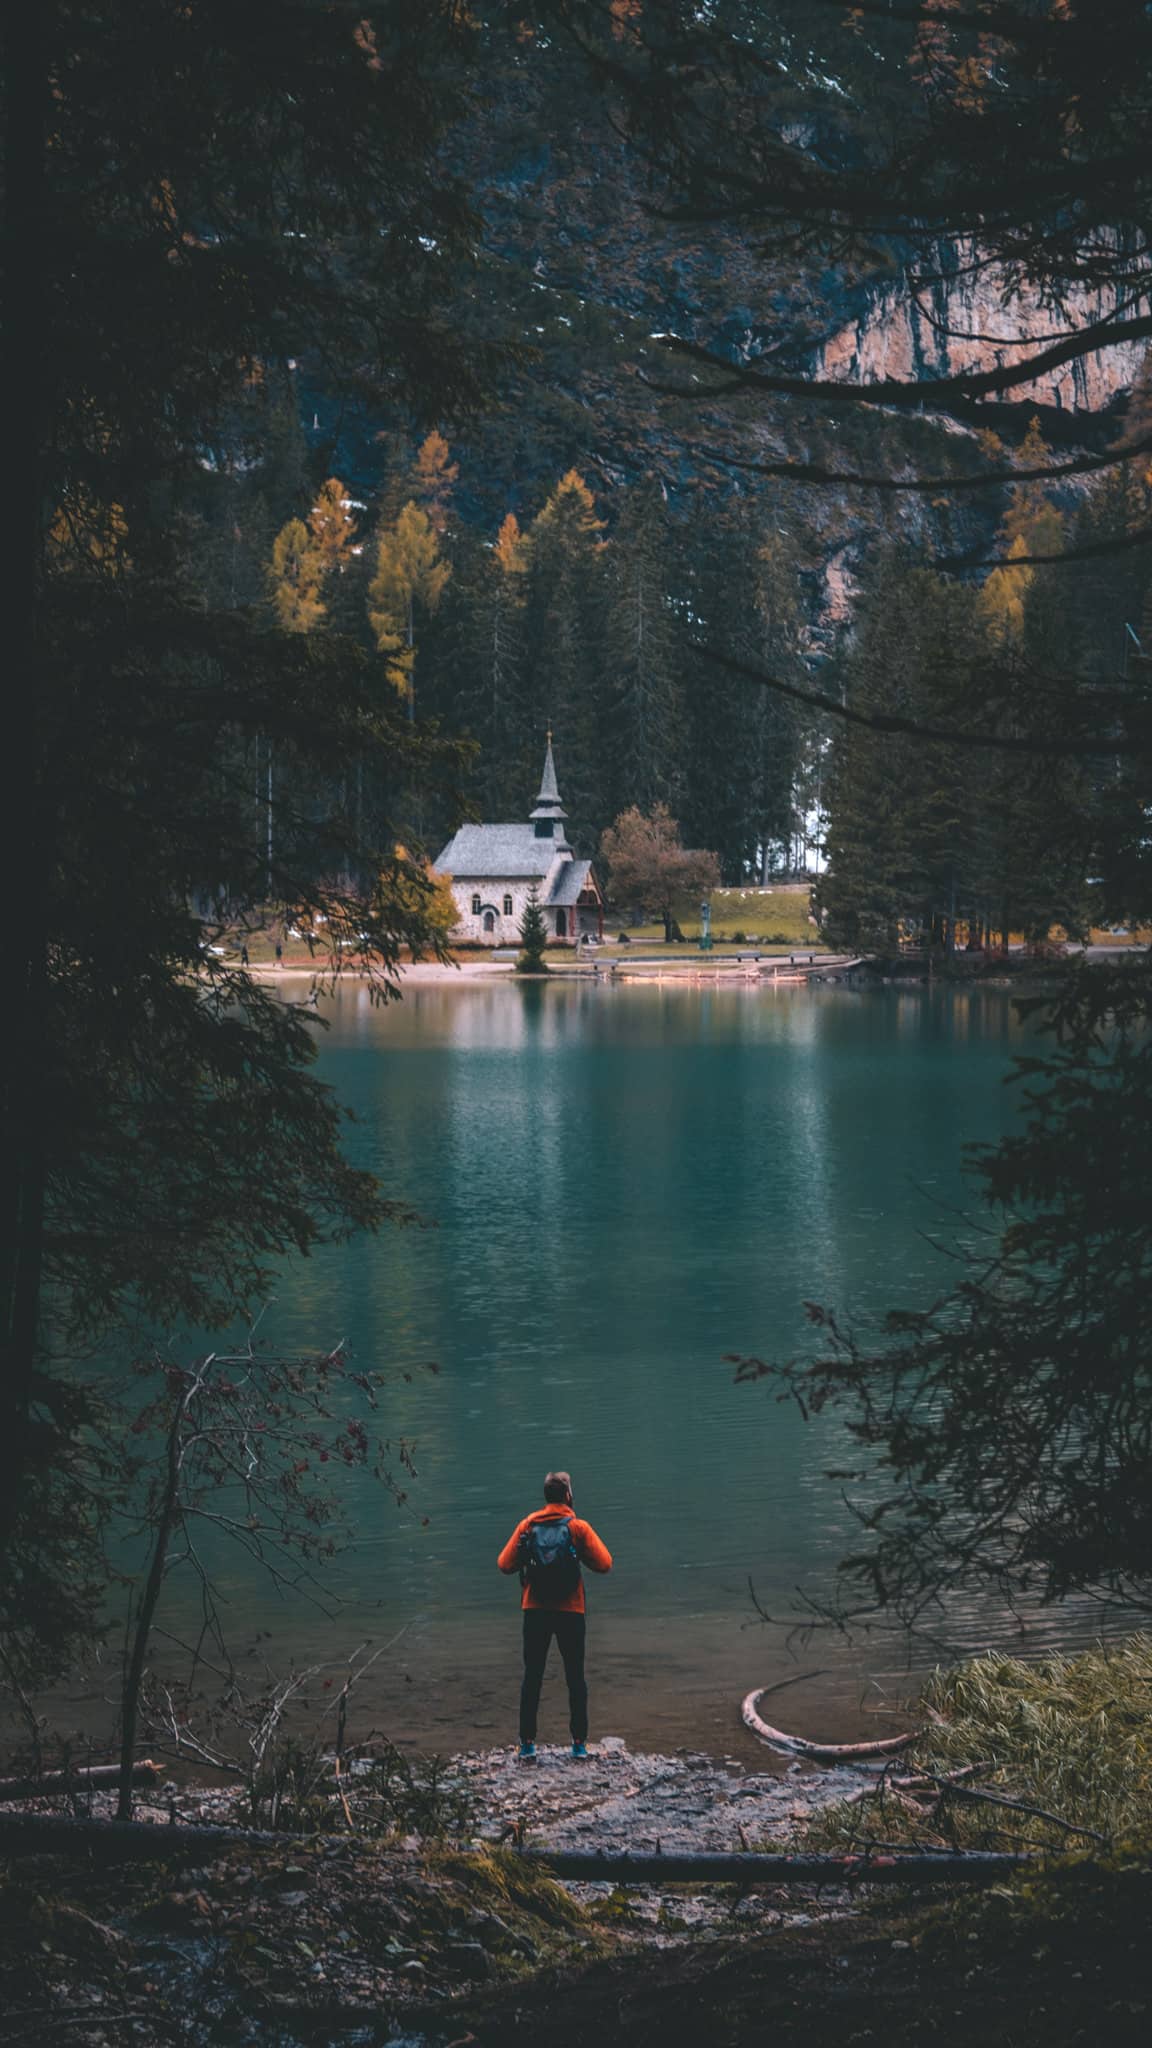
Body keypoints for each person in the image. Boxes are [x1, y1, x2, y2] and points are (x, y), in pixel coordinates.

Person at [498, 1470, 612, 1762]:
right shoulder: (578, 1528)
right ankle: (578, 1745)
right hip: (570, 1611)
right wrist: (578, 1555)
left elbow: (504, 1564)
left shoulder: (528, 1525)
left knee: (532, 1676)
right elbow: (605, 1564)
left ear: (546, 1496)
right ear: (568, 1496)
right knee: (575, 1676)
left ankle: (527, 1745)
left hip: (534, 1610)